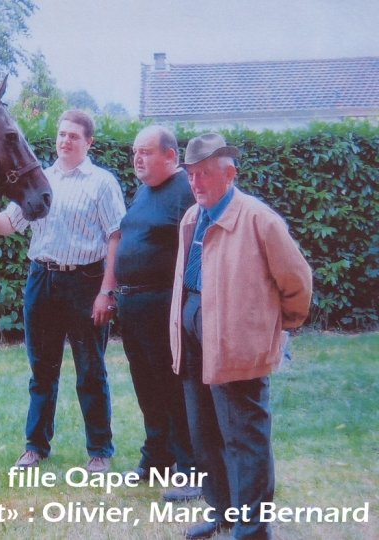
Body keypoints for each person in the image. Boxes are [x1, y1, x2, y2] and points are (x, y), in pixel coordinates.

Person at [169, 133, 313, 540]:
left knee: (244, 437)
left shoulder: (258, 219)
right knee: (204, 432)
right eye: (191, 175)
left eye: (204, 174)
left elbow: (297, 280)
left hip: (237, 342)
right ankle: (223, 513)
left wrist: (278, 326)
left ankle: (252, 529)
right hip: (193, 332)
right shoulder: (192, 216)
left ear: (229, 174)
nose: (195, 182)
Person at [0, 109, 126, 473]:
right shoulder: (40, 179)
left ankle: (100, 451)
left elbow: (116, 237)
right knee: (41, 370)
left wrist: (106, 291)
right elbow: (9, 224)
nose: (65, 141)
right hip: (42, 280)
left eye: (74, 136)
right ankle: (35, 447)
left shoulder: (103, 183)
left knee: (91, 370)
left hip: (86, 282)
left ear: (89, 142)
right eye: (61, 134)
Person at [114, 126, 200, 501]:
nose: (137, 158)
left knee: (173, 387)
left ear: (171, 156)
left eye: (146, 152)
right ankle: (157, 457)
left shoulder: (185, 190)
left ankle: (191, 467)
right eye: (135, 151)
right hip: (133, 306)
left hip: (165, 305)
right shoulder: (144, 191)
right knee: (146, 386)